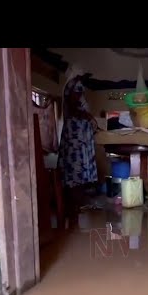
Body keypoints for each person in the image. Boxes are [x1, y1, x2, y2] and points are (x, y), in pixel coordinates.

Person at [58, 63, 99, 219]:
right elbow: (73, 106)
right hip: (77, 132)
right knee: (77, 169)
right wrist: (88, 117)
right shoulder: (76, 85)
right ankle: (76, 204)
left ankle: (75, 204)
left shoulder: (70, 85)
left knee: (74, 170)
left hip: (75, 131)